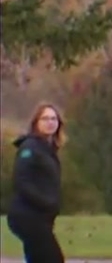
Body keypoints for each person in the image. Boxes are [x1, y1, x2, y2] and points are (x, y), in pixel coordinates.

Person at [7, 102, 66, 263]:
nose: (50, 122)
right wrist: (46, 203)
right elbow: (21, 182)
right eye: (45, 119)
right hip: (26, 215)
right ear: (36, 123)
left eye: (54, 119)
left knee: (38, 258)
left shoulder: (48, 148)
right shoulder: (29, 148)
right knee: (53, 259)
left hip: (41, 217)